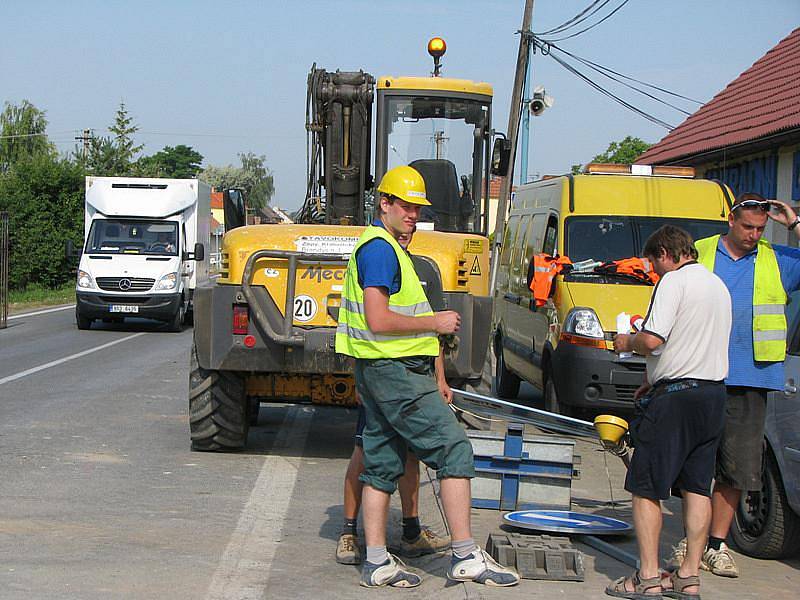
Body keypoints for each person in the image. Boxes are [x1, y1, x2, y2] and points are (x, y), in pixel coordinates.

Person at [335, 165, 519, 589]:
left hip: (381, 371)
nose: (413, 215)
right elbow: (378, 319)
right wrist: (435, 322)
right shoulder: (380, 249)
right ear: (384, 203)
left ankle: (378, 561)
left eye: (417, 209)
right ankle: (465, 555)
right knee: (454, 450)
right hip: (397, 373)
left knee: (381, 463)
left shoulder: (383, 247)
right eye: (406, 207)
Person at [669, 193, 800, 578]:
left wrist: (792, 224)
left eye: (760, 229)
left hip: (751, 375)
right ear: (730, 220)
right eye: (748, 227)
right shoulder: (700, 252)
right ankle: (689, 540)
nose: (754, 235)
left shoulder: (777, 259)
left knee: (737, 468)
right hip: (699, 371)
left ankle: (714, 545)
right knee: (694, 464)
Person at [607, 225, 731, 599]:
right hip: (712, 395)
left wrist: (625, 341)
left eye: (652, 261)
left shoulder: (673, 283)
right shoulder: (717, 286)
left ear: (665, 253)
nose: (653, 270)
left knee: (646, 486)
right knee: (697, 488)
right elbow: (693, 343)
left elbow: (652, 339)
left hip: (676, 400)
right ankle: (689, 576)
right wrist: (656, 377)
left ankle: (646, 578)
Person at [335, 229, 451, 565]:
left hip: (415, 380)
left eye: (415, 220)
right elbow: (364, 327)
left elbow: (433, 331)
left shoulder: (422, 270)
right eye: (406, 214)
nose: (410, 226)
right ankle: (348, 532)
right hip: (383, 377)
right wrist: (362, 380)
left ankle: (412, 532)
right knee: (366, 450)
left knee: (410, 454)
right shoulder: (377, 258)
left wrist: (440, 378)